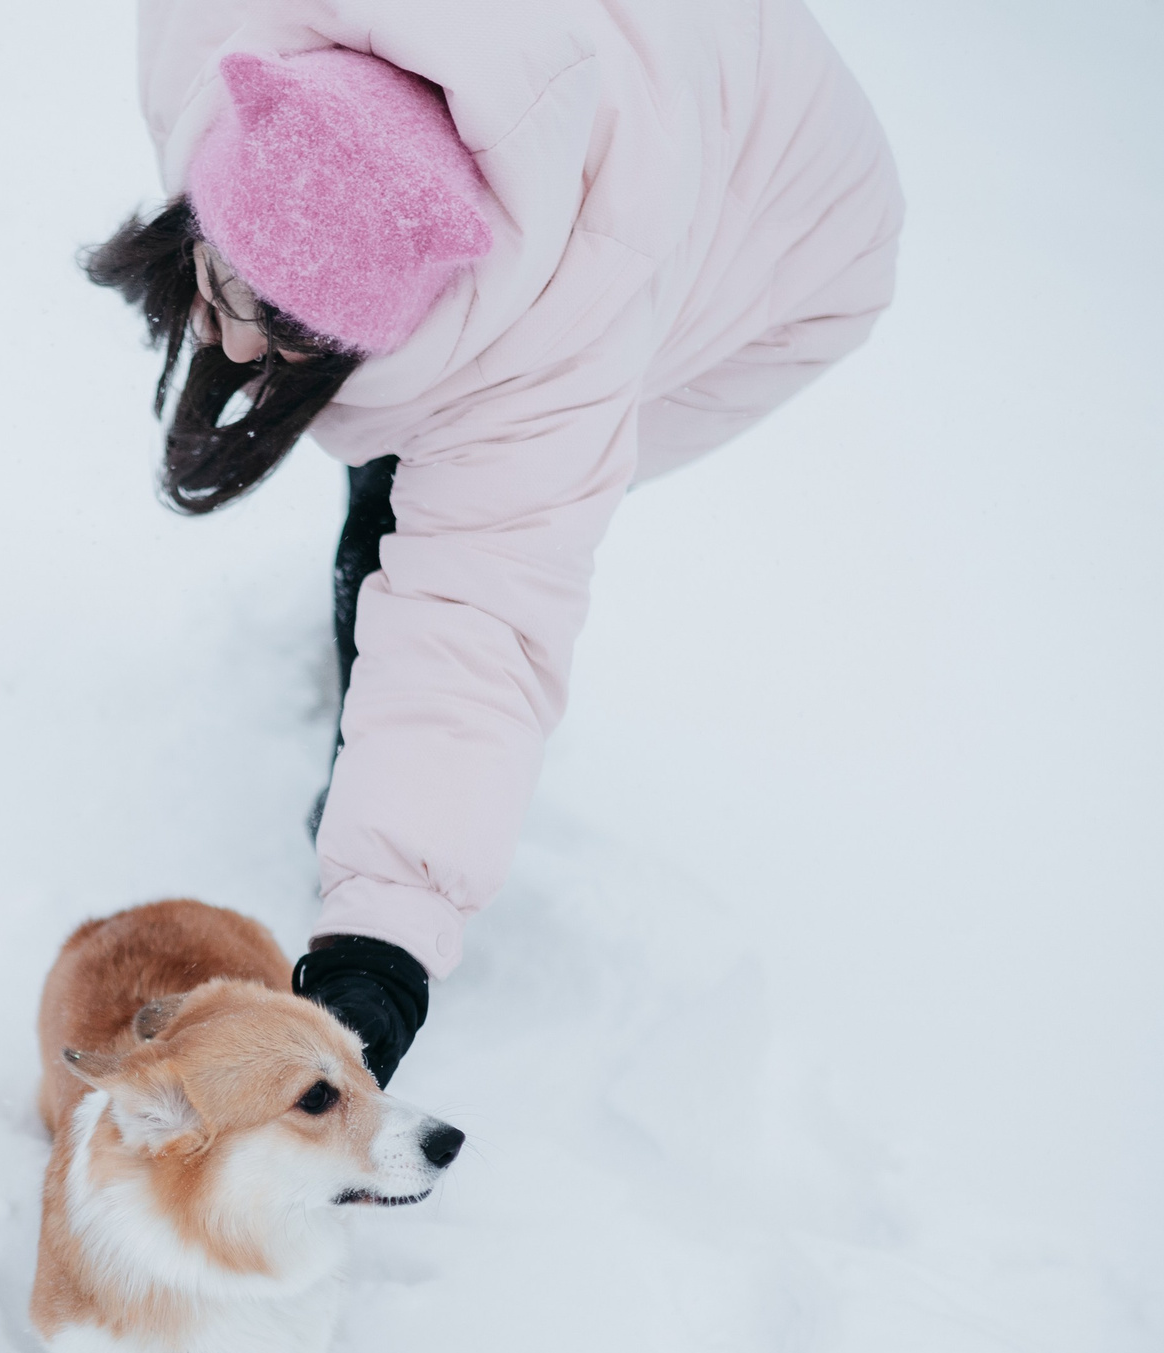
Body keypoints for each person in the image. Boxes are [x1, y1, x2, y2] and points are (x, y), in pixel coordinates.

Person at [85, 0, 902, 1087]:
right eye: (224, 281)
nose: (228, 341)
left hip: (782, 228)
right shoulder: (217, 39)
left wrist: (382, 931)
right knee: (415, 455)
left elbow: (482, 609)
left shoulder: (562, 336)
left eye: (284, 332)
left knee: (451, 507)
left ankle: (371, 743)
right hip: (630, 77)